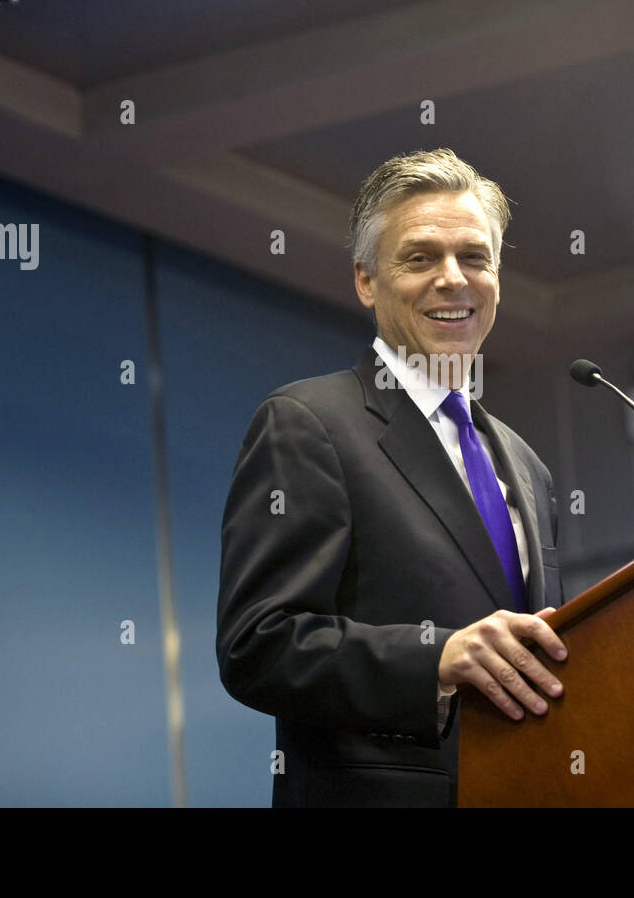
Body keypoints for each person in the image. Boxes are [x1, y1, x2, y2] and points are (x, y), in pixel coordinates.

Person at [217, 148, 566, 807]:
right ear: (365, 280)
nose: (453, 278)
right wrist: (434, 658)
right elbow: (257, 645)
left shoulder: (526, 464)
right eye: (420, 257)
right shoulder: (307, 423)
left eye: (474, 257)